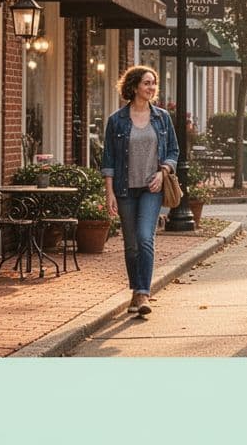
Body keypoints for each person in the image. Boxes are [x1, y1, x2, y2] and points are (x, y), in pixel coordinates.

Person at [101, 65, 178, 316]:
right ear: (134, 87)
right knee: (131, 244)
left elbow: (173, 152)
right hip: (124, 189)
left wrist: (162, 171)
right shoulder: (117, 120)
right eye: (146, 83)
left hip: (151, 188)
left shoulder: (162, 118)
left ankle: (144, 293)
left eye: (153, 83)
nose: (151, 87)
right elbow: (109, 159)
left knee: (146, 237)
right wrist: (109, 193)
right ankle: (136, 290)